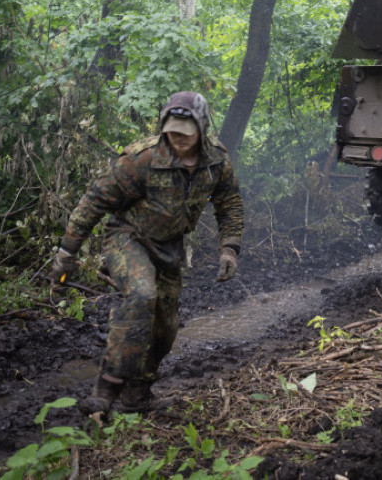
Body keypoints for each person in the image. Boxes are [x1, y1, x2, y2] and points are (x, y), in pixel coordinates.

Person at [51, 91, 244, 419]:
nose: (178, 138)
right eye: (172, 130)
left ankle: (137, 396)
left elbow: (229, 203)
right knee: (142, 296)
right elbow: (95, 200)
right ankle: (105, 388)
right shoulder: (143, 159)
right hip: (128, 238)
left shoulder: (217, 161)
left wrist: (229, 248)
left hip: (169, 247)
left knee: (165, 326)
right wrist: (66, 252)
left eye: (186, 131)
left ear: (201, 127)